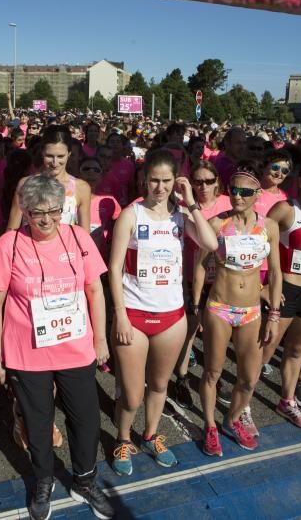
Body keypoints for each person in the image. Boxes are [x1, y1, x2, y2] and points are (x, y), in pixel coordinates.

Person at [0, 175, 114, 520]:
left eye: (54, 211)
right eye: (38, 213)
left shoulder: (78, 237)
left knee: (85, 419)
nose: (47, 220)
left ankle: (85, 479)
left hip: (75, 347)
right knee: (37, 423)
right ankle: (44, 478)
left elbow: (95, 291)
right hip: (27, 352)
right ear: (24, 212)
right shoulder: (8, 244)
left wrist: (100, 339)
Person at [109, 150, 218, 476]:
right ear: (144, 180)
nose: (159, 187)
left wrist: (191, 203)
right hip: (134, 314)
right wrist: (121, 315)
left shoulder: (181, 217)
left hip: (171, 317)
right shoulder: (131, 215)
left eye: (166, 180)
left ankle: (151, 434)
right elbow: (114, 269)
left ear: (176, 182)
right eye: (153, 179)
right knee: (131, 394)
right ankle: (123, 437)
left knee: (158, 386)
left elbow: (211, 243)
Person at [193, 163, 282, 456]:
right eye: (234, 190)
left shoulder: (268, 226)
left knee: (248, 377)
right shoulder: (218, 224)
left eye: (245, 192)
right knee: (212, 373)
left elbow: (277, 273)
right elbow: (199, 266)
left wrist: (274, 316)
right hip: (219, 307)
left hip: (251, 312)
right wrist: (196, 305)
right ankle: (210, 427)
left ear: (258, 194)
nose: (238, 197)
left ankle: (232, 419)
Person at [173, 160, 232, 409]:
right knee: (190, 331)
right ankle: (182, 378)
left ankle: (213, 377)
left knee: (216, 334)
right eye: (197, 181)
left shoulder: (228, 203)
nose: (203, 186)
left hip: (221, 279)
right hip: (189, 276)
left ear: (217, 181)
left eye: (208, 181)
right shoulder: (182, 206)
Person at [262, 158, 301, 428]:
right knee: (266, 350)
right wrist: (263, 285)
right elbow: (256, 240)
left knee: (296, 351)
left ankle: (287, 400)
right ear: (300, 184)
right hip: (286, 290)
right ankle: (243, 404)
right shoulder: (285, 209)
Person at [7, 126, 90, 232]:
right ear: (42, 152)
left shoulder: (81, 188)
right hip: (28, 247)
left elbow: (85, 235)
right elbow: (11, 230)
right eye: (49, 156)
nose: (55, 163)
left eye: (60, 156)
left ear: (69, 154)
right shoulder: (25, 184)